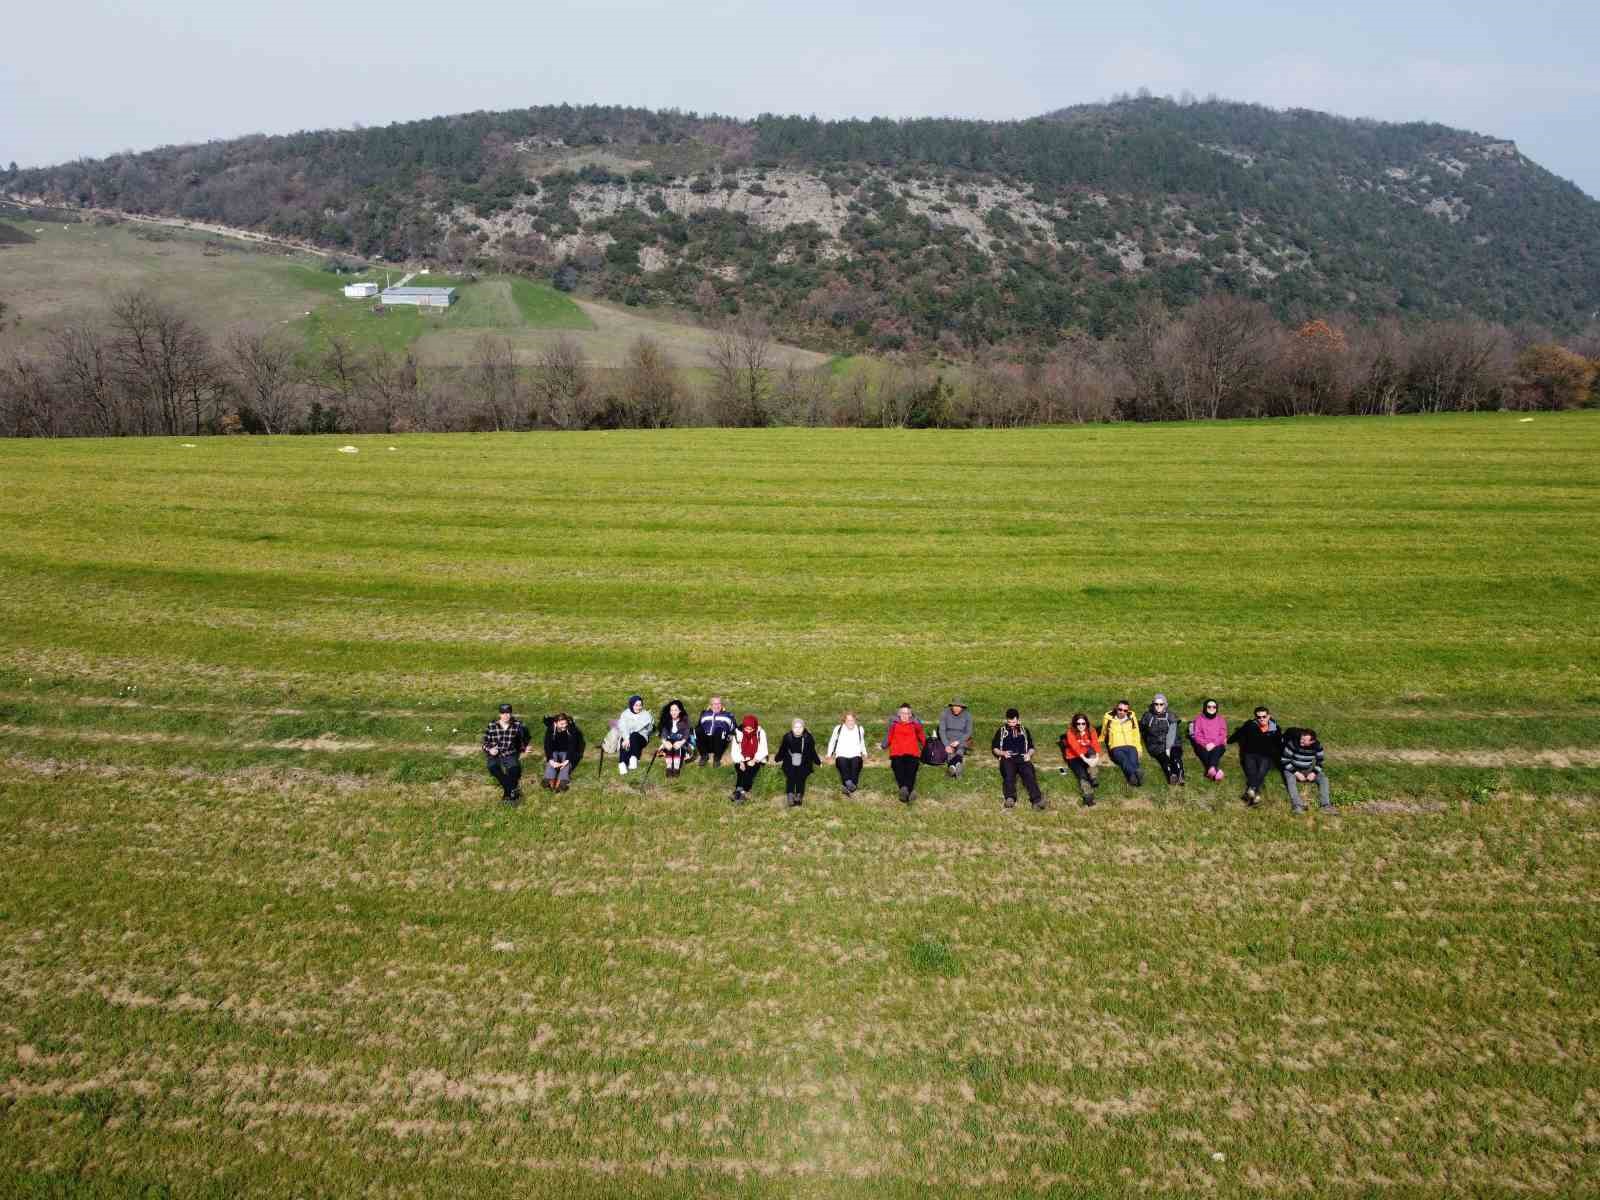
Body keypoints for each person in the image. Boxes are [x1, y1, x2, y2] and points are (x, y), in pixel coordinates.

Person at [1227, 706, 1283, 807]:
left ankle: (1250, 791)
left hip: (1266, 755)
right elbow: (1238, 733)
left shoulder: (1275, 729)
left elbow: (1279, 744)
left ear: (1269, 716)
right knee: (1252, 773)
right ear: (1255, 717)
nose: (1261, 719)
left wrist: (1279, 758)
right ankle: (1255, 796)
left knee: (1261, 772)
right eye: (1258, 717)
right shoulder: (1250, 725)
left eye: (1264, 716)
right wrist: (1228, 741)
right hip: (1250, 753)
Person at [991, 708, 1045, 810]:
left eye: (1014, 722)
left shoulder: (1025, 730)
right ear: (1006, 720)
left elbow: (1031, 747)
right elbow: (995, 748)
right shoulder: (1002, 731)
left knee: (1029, 774)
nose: (1011, 724)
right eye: (1009, 722)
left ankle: (1037, 800)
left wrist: (1029, 754)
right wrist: (1002, 753)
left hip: (1022, 757)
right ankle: (1010, 798)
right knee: (1009, 775)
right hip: (1008, 757)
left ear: (1018, 720)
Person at [482, 703, 531, 806]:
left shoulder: (517, 725)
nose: (506, 715)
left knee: (515, 770)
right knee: (493, 768)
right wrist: (490, 749)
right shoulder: (492, 725)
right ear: (499, 714)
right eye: (503, 713)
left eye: (508, 713)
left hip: (510, 753)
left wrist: (524, 748)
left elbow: (521, 740)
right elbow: (484, 743)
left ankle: (507, 794)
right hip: (495, 753)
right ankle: (513, 790)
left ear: (511, 713)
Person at [1280, 726, 1333, 814]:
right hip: (1292, 768)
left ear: (1312, 741)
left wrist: (1313, 773)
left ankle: (1325, 805)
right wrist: (1296, 773)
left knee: (1323, 778)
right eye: (1301, 739)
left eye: (1304, 740)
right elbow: (1284, 761)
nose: (1301, 741)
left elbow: (1320, 762)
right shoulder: (1292, 743)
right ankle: (1297, 805)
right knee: (1290, 780)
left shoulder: (1317, 746)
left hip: (1307, 768)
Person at [882, 703, 927, 804]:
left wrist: (927, 746)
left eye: (907, 713)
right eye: (902, 713)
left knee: (912, 769)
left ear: (910, 714)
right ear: (898, 714)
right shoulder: (894, 724)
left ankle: (904, 789)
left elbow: (921, 735)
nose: (904, 715)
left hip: (912, 752)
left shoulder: (915, 724)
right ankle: (909, 791)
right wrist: (884, 744)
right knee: (897, 767)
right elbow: (889, 735)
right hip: (897, 751)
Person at [1138, 693, 1186, 786]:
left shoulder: (1170, 715)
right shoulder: (1148, 716)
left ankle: (1180, 775)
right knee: (1164, 759)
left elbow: (1172, 733)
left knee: (1175, 756)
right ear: (1153, 704)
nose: (1158, 706)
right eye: (1156, 704)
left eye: (1161, 704)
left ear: (1165, 704)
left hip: (1172, 743)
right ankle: (1171, 775)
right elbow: (1141, 727)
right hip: (1156, 744)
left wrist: (1168, 747)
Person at [775, 718, 822, 807]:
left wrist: (818, 762)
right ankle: (790, 794)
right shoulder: (787, 737)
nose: (798, 729)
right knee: (790, 776)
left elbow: (812, 751)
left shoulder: (808, 738)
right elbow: (782, 750)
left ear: (803, 728)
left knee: (801, 777)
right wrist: (777, 758)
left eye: (800, 727)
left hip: (804, 761)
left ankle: (799, 795)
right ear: (792, 728)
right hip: (790, 761)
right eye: (795, 727)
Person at [1058, 713, 1102, 806]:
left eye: (1083, 723)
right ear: (1075, 724)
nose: (1081, 726)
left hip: (1087, 753)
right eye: (1078, 724)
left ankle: (1093, 777)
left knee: (1092, 755)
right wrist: (1086, 760)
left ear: (1086, 723)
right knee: (1081, 774)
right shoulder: (1070, 732)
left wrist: (1097, 757)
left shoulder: (1091, 730)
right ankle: (1088, 795)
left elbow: (1095, 744)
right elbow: (1075, 747)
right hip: (1073, 757)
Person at [1100, 700, 1143, 787]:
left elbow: (1136, 733)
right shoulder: (1108, 718)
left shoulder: (1131, 717)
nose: (1122, 712)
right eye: (1120, 709)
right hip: (1116, 747)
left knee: (1133, 761)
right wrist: (1100, 739)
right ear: (1116, 708)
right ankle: (1137, 772)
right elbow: (1104, 730)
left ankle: (1132, 777)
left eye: (1125, 710)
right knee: (1124, 760)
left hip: (1131, 745)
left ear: (1128, 711)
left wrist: (1138, 748)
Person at [825, 710, 869, 794]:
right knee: (842, 763)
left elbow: (861, 742)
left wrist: (864, 752)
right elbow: (832, 741)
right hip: (842, 754)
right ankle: (849, 784)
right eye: (848, 720)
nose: (850, 722)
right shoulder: (838, 728)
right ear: (844, 721)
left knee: (855, 765)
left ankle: (849, 785)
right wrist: (829, 753)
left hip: (855, 754)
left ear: (855, 720)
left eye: (852, 720)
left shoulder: (860, 729)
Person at [540, 711, 585, 791]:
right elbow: (547, 745)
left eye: (565, 723)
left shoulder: (571, 728)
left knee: (566, 761)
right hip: (554, 750)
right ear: (556, 723)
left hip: (566, 750)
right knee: (552, 758)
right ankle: (549, 778)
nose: (564, 726)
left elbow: (572, 745)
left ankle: (562, 781)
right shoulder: (550, 729)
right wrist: (551, 760)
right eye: (562, 724)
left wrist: (567, 760)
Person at [729, 714, 767, 805]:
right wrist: (740, 761)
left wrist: (754, 760)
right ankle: (739, 790)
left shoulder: (760, 732)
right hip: (742, 757)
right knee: (740, 769)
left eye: (751, 729)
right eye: (746, 729)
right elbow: (735, 749)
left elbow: (763, 748)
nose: (748, 731)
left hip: (756, 757)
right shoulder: (738, 733)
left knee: (750, 770)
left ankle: (741, 792)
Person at [1189, 698, 1229, 782]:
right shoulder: (1199, 719)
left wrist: (1214, 744)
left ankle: (1210, 769)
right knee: (1202, 750)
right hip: (1203, 744)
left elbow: (1223, 734)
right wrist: (1205, 744)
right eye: (1209, 707)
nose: (1211, 709)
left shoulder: (1221, 719)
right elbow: (1197, 734)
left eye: (1214, 707)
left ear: (1216, 708)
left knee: (1217, 749)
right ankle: (1214, 770)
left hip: (1217, 744)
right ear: (1205, 708)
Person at [615, 694, 653, 775]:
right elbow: (622, 727)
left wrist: (649, 726)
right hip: (627, 737)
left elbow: (649, 729)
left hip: (641, 738)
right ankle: (622, 763)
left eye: (640, 705)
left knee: (634, 735)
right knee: (623, 740)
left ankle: (633, 757)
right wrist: (626, 738)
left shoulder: (646, 714)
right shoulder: (625, 714)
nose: (638, 707)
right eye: (636, 705)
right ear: (631, 705)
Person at [657, 699, 695, 778]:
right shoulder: (667, 720)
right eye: (671, 710)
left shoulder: (685, 720)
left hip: (683, 742)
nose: (673, 712)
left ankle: (676, 768)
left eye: (675, 710)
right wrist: (664, 742)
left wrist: (681, 742)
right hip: (670, 741)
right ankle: (669, 767)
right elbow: (664, 732)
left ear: (680, 711)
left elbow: (686, 734)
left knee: (677, 745)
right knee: (669, 745)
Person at [696, 697, 737, 767]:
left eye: (719, 703)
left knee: (719, 730)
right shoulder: (704, 714)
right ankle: (704, 755)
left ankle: (717, 758)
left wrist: (731, 735)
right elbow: (699, 726)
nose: (717, 706)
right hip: (707, 742)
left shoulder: (728, 715)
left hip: (720, 742)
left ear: (722, 704)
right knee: (698, 730)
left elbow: (734, 728)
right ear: (710, 705)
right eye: (714, 704)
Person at [938, 699, 974, 778]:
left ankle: (952, 767)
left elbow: (969, 732)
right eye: (955, 706)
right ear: (951, 706)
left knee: (960, 749)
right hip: (948, 739)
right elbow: (942, 730)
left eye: (959, 706)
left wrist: (959, 741)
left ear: (962, 707)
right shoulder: (944, 714)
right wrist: (947, 744)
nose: (956, 708)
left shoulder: (968, 715)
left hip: (962, 739)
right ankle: (957, 765)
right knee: (949, 752)